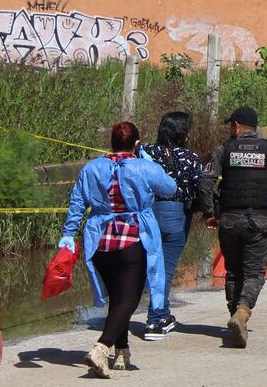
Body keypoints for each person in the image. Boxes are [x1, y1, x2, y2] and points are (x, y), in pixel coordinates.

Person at [59, 122, 176, 378]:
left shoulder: (92, 168)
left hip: (100, 241)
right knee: (129, 299)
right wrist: (149, 163)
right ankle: (102, 347)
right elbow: (170, 188)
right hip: (132, 240)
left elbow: (77, 202)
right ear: (136, 144)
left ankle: (122, 351)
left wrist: (68, 233)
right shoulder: (144, 167)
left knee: (117, 298)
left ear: (111, 142)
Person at [200, 106, 267, 349]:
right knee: (253, 274)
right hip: (259, 223)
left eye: (231, 125)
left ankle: (235, 316)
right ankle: (242, 313)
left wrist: (210, 213)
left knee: (233, 272)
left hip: (229, 221)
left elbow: (206, 180)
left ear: (237, 126)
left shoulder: (224, 150)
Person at [138, 112, 205, 340]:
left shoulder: (146, 152)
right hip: (177, 215)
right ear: (182, 133)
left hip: (148, 215)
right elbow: (201, 187)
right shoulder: (191, 158)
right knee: (164, 270)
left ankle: (163, 313)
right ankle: (155, 321)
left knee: (151, 266)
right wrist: (208, 212)